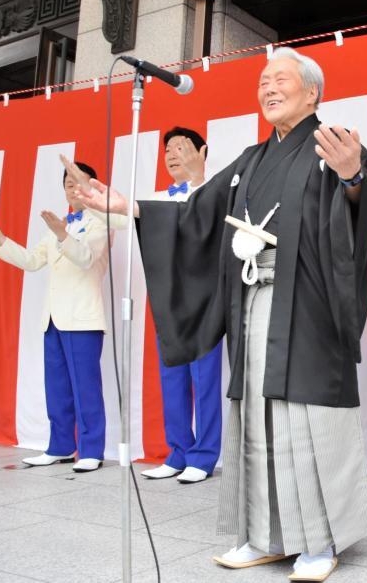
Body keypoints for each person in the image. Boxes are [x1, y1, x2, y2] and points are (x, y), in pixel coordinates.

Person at [66, 46, 367, 581]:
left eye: (281, 79)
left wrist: (354, 178)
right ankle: (264, 535)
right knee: (256, 420)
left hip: (306, 305)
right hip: (253, 298)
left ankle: (321, 540)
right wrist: (130, 207)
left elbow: (360, 210)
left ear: (312, 92)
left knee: (304, 420)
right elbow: (197, 211)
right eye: (263, 81)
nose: (269, 88)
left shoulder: (334, 146)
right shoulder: (252, 162)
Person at [0, 162, 113, 473]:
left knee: (86, 388)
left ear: (92, 187)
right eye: (68, 184)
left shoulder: (101, 223)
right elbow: (33, 261)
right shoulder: (57, 225)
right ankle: (61, 447)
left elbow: (86, 259)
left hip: (82, 320)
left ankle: (92, 450)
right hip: (53, 319)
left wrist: (63, 234)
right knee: (57, 388)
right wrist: (2, 240)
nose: (74, 189)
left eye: (79, 183)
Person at [140, 127, 223, 485]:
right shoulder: (155, 198)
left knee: (204, 381)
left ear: (201, 151)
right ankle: (177, 451)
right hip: (169, 301)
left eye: (181, 147)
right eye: (168, 149)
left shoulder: (217, 190)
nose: (173, 154)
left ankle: (203, 457)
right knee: (172, 379)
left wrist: (200, 179)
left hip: (205, 303)